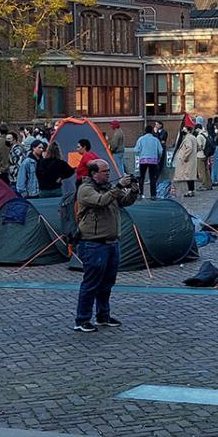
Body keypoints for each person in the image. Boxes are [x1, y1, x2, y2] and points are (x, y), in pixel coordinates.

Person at [73, 159, 138, 332]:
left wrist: (133, 190)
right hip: (93, 243)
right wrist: (118, 187)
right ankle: (82, 319)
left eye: (108, 171)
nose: (108, 174)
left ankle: (103, 315)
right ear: (94, 174)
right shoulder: (85, 190)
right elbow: (101, 201)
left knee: (107, 283)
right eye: (105, 171)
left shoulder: (108, 187)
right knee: (91, 283)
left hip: (111, 242)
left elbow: (124, 201)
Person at [134, 127, 163, 197]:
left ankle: (141, 193)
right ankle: (153, 194)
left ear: (145, 131)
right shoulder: (156, 140)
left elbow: (136, 150)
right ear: (152, 131)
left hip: (143, 160)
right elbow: (160, 151)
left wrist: (141, 154)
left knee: (142, 177)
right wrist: (158, 158)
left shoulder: (141, 139)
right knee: (152, 178)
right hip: (153, 160)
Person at [172, 125, 199, 197]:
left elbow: (189, 148)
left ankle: (190, 191)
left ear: (188, 130)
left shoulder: (188, 138)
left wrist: (184, 157)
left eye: (184, 129)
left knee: (188, 176)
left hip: (188, 160)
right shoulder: (193, 137)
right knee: (190, 176)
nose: (183, 130)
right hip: (192, 159)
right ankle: (192, 190)